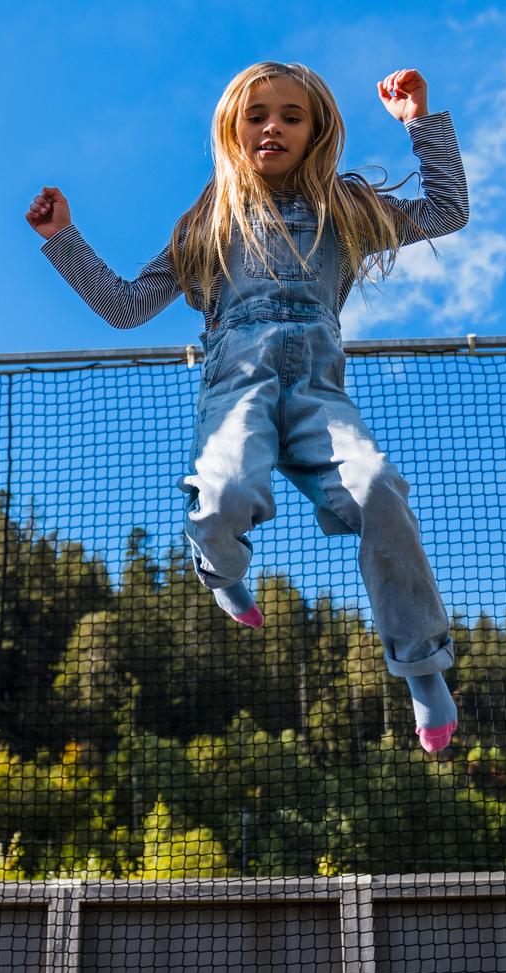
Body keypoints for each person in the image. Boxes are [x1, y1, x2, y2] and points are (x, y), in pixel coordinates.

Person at [27, 63, 468, 752]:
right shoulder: (212, 218)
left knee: (380, 488)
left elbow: (447, 211)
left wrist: (420, 123)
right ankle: (221, 570)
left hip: (320, 394)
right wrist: (65, 239)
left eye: (293, 117)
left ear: (316, 131)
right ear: (233, 129)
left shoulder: (343, 208)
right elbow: (126, 307)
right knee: (227, 490)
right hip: (240, 384)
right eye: (258, 115)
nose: (274, 127)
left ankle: (421, 668)